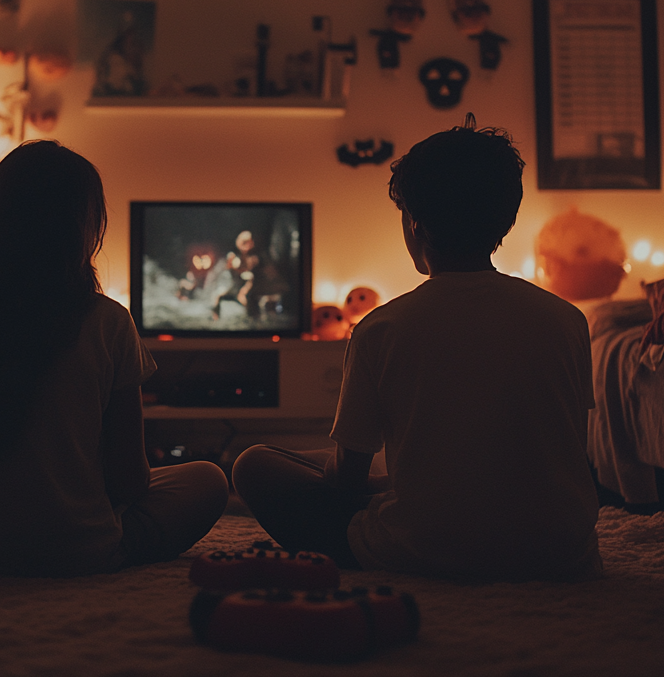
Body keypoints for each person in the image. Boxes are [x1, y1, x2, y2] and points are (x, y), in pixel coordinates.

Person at [232, 115, 602, 582]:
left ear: (413, 222)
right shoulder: (567, 319)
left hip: (425, 550)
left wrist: (384, 489)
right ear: (507, 219)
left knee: (256, 464)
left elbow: (346, 483)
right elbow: (559, 451)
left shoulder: (381, 328)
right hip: (560, 552)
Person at [0, 140, 228, 575]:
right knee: (208, 479)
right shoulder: (108, 322)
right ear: (83, 228)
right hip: (69, 549)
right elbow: (130, 480)